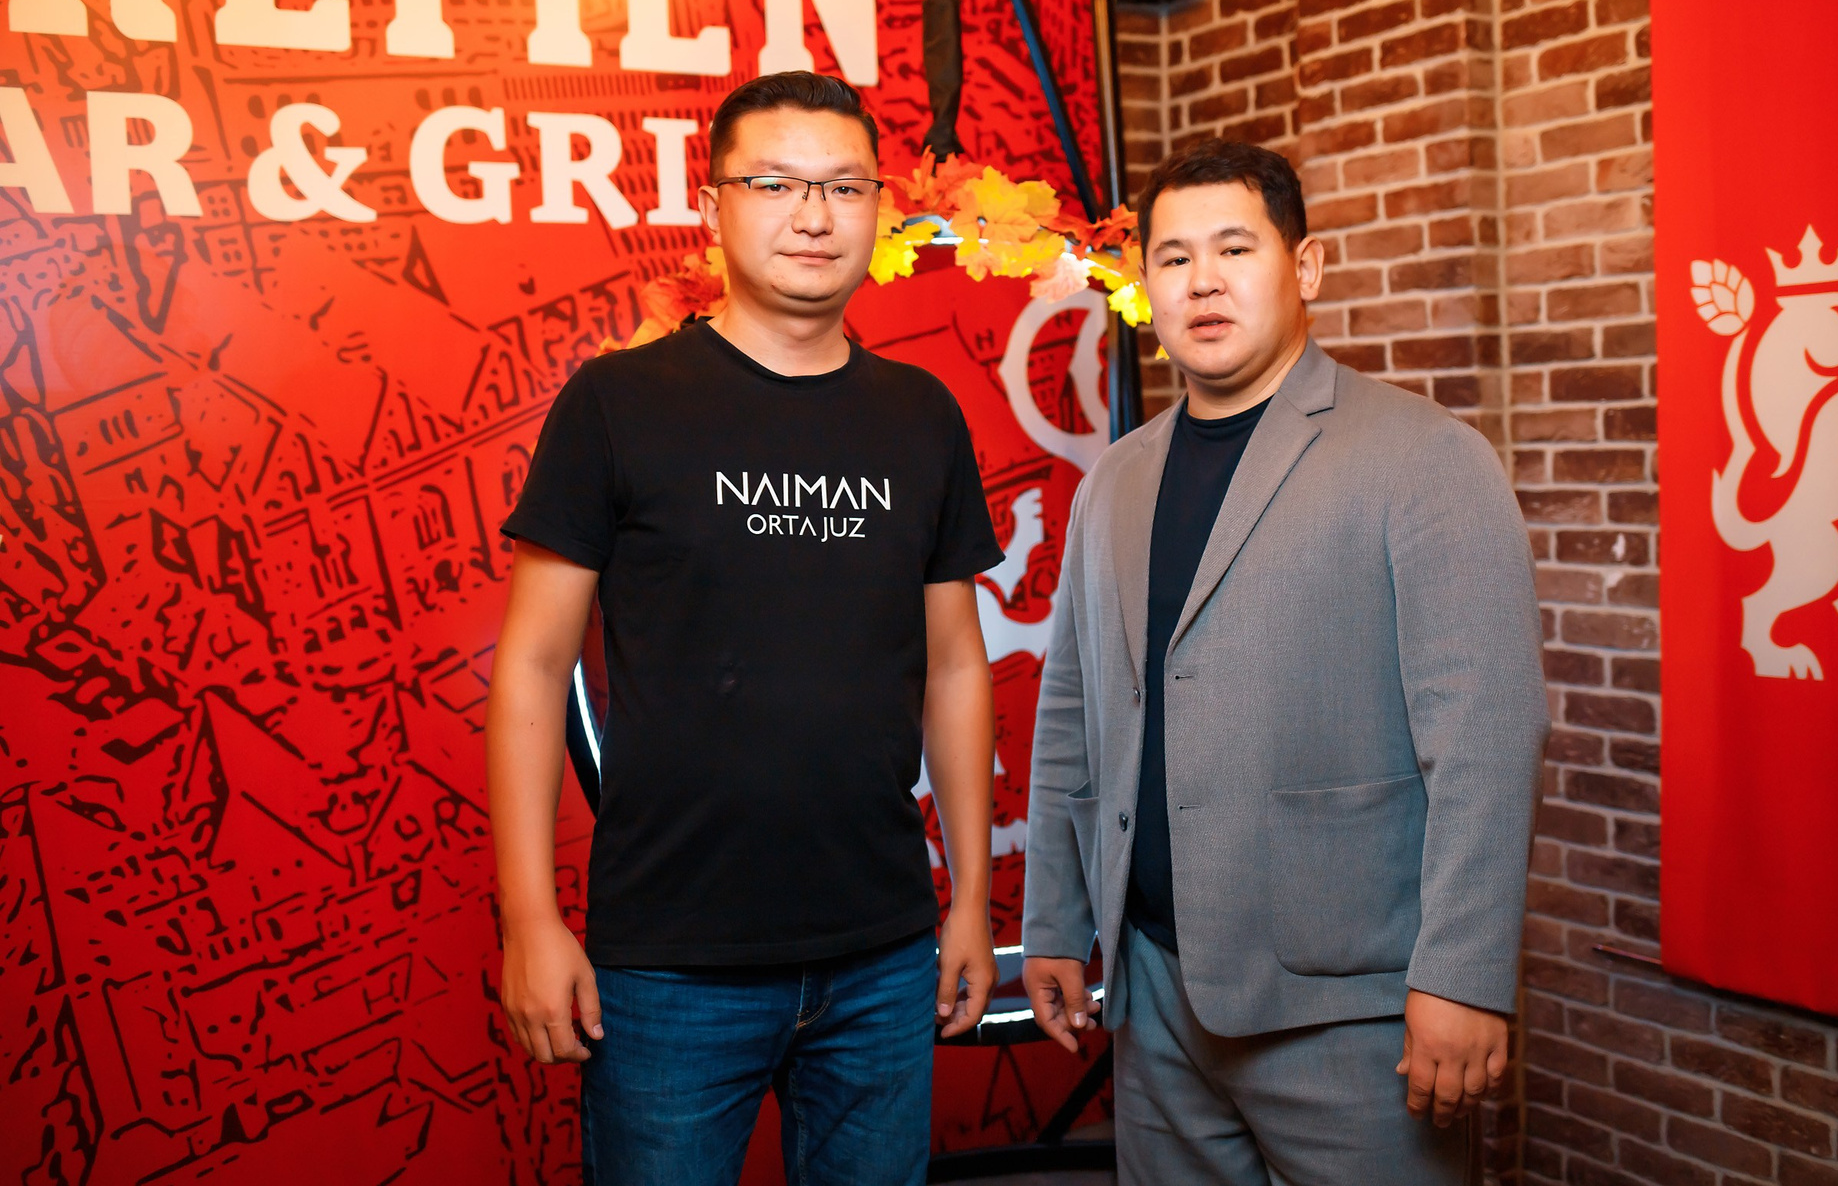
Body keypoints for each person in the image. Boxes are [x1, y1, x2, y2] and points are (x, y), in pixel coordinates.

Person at [484, 71, 1003, 1186]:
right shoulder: (617, 403)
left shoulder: (921, 415)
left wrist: (970, 899)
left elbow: (957, 666)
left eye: (844, 187)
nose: (813, 215)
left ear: (880, 209)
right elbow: (531, 663)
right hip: (669, 963)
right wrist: (529, 916)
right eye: (774, 183)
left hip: (882, 951)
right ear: (712, 204)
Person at [1021, 138, 1547, 1183]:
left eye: (1234, 248)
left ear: (1306, 267)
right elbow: (1074, 708)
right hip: (1155, 990)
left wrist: (1464, 975)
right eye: (1173, 258)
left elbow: (1486, 738)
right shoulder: (1114, 482)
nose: (1202, 281)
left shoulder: (1425, 455)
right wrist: (1056, 918)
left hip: (1352, 1002)